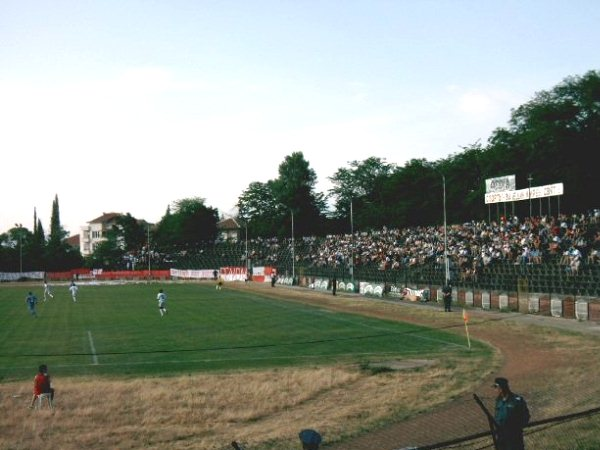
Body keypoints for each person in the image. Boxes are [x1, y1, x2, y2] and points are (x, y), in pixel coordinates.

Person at [493, 377, 530, 450]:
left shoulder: (516, 400)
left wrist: (517, 428)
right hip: (501, 437)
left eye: (496, 387)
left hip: (514, 437)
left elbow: (526, 415)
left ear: (501, 388)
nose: (495, 390)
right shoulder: (498, 401)